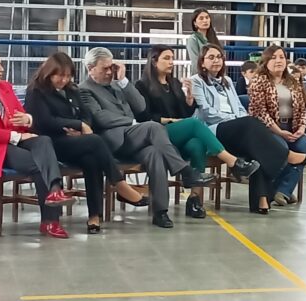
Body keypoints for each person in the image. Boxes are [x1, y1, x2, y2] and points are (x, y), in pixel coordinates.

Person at [79, 47, 215, 229]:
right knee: (153, 126)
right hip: (114, 140)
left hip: (133, 138)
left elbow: (141, 107)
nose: (110, 72)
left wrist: (124, 81)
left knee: (155, 154)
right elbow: (100, 117)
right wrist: (132, 122)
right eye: (105, 68)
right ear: (90, 68)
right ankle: (185, 171)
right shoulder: (84, 89)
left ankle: (160, 212)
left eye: (112, 67)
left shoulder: (118, 85)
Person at [24, 52, 149, 234]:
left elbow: (86, 114)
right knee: (96, 141)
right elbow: (44, 121)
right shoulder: (36, 92)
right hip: (51, 144)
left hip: (76, 141)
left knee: (92, 159)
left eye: (68, 76)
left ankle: (94, 217)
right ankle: (120, 184)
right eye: (59, 76)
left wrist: (83, 126)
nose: (64, 80)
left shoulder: (72, 90)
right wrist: (78, 125)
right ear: (49, 73)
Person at [0, 48, 75, 239]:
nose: (2, 69)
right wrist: (17, 137)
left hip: (10, 142)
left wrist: (27, 119)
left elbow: (20, 114)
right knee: (40, 164)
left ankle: (55, 190)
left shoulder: (4, 88)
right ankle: (50, 221)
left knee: (43, 141)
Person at [135, 45, 260, 219]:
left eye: (172, 58)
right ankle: (233, 162)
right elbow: (143, 117)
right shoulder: (141, 85)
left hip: (178, 132)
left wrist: (189, 99)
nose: (171, 62)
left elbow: (185, 114)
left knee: (197, 144)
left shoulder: (174, 83)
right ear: (154, 61)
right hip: (157, 133)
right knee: (194, 124)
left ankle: (194, 199)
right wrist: (169, 120)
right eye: (166, 58)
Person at [192, 44, 306, 214]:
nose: (216, 60)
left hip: (238, 129)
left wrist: (240, 120)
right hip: (212, 130)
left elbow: (239, 107)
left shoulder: (227, 81)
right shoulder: (196, 81)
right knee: (252, 124)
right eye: (211, 57)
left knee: (257, 148)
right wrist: (236, 121)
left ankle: (261, 200)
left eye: (219, 57)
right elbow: (206, 112)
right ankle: (285, 156)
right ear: (202, 62)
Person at [247, 45, 306, 207]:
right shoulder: (259, 80)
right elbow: (259, 112)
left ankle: (282, 190)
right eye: (274, 57)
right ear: (266, 61)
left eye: (282, 57)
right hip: (268, 129)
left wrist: (301, 129)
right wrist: (279, 131)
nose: (278, 61)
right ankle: (279, 189)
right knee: (281, 149)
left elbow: (302, 108)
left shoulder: (293, 81)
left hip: (292, 127)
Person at [185, 8, 222, 74]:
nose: (205, 20)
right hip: (201, 75)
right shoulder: (193, 39)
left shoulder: (213, 38)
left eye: (207, 18)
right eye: (201, 18)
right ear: (195, 23)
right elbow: (196, 62)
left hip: (216, 75)